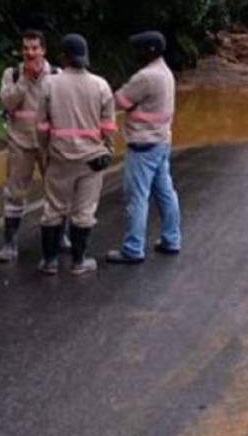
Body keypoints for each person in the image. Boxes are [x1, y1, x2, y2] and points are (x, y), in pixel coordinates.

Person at [36, 34, 116, 276]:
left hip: (59, 157)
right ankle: (79, 262)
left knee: (53, 209)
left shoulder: (49, 84)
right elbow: (109, 128)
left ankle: (49, 262)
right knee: (84, 211)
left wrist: (45, 152)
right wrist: (108, 151)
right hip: (91, 160)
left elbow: (41, 126)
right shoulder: (101, 85)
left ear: (64, 57)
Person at [106, 30, 182, 264]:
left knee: (136, 197)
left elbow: (119, 101)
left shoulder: (146, 76)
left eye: (139, 49)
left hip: (143, 143)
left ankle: (133, 248)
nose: (135, 54)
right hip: (161, 141)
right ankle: (171, 239)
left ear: (148, 51)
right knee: (165, 192)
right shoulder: (165, 72)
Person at [0, 29, 57, 262]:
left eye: (34, 48)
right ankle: (9, 243)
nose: (30, 53)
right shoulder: (11, 74)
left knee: (56, 190)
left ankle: (60, 235)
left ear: (43, 50)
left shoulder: (56, 75)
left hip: (48, 143)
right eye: (26, 48)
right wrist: (24, 80)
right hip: (20, 142)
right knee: (14, 193)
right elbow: (8, 102)